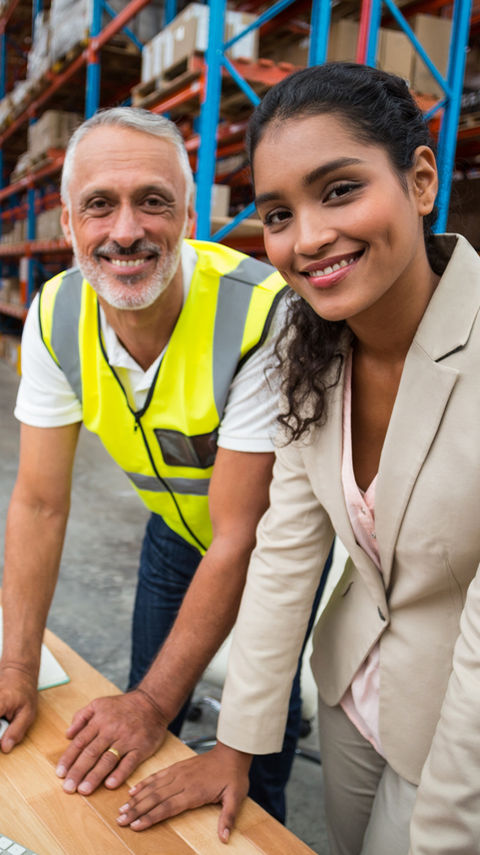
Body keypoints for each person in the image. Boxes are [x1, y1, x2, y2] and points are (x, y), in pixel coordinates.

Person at [114, 62, 480, 854]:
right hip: (351, 690)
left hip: (463, 724)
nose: (308, 238)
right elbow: (285, 548)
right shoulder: (303, 340)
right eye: (279, 212)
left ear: (421, 180)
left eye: (340, 189)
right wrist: (236, 744)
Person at [0, 107, 329, 825]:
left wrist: (149, 703)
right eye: (99, 205)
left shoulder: (262, 316)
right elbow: (38, 503)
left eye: (153, 201)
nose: (125, 231)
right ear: (67, 224)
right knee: (148, 727)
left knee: (247, 756)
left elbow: (240, 536)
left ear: (187, 216)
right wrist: (16, 665)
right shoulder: (56, 317)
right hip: (176, 536)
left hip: (274, 548)